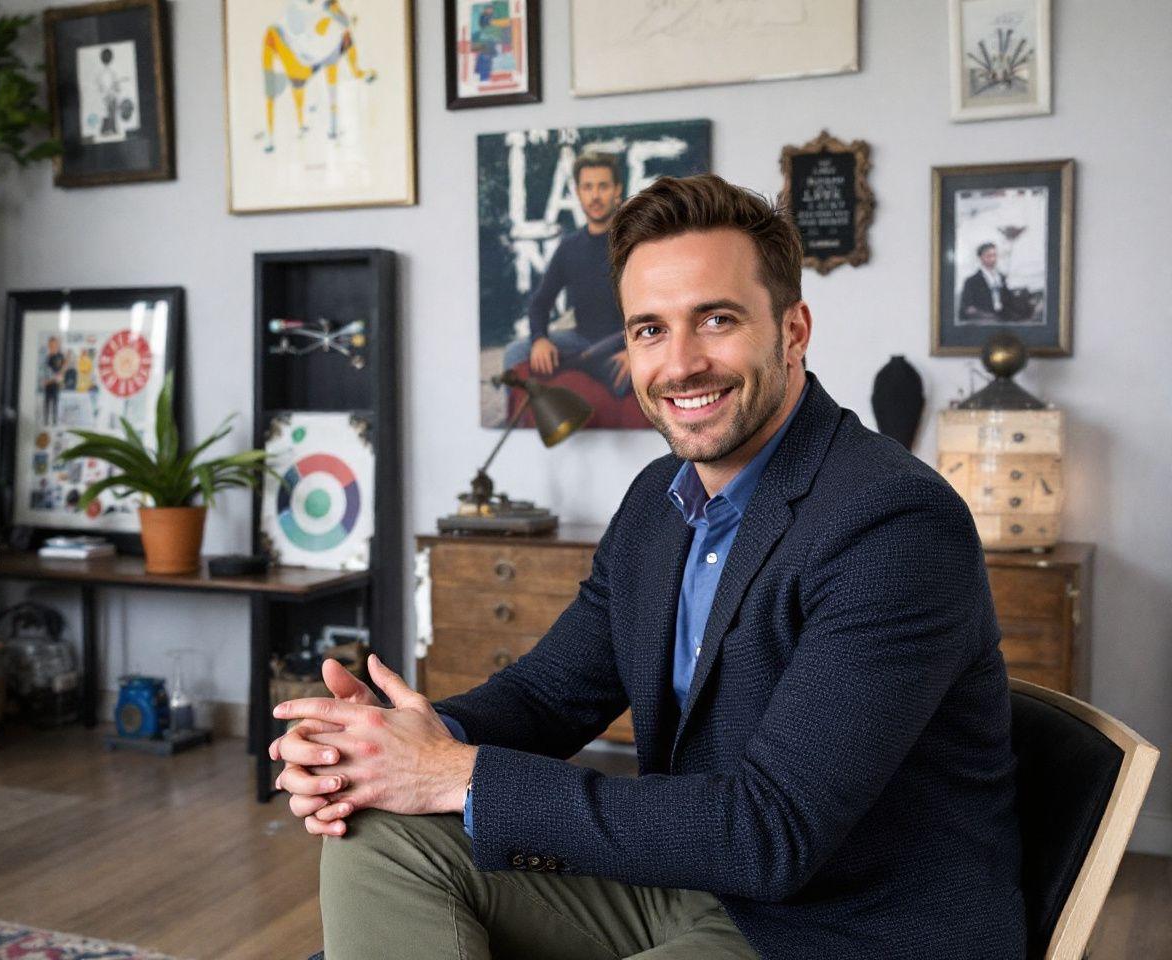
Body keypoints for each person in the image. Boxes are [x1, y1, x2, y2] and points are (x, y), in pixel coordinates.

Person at [272, 174, 1025, 959]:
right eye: (649, 330)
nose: (681, 363)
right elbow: (550, 694)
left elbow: (770, 833)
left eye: (717, 319)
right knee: (376, 832)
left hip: (844, 927)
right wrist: (392, 745)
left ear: (794, 330)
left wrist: (453, 774)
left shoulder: (894, 523)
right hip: (689, 885)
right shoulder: (658, 504)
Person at [503, 152, 632, 396]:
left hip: (624, 342)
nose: (595, 196)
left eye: (603, 186)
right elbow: (539, 304)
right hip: (581, 341)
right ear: (578, 192)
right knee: (515, 353)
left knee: (623, 386)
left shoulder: (635, 243)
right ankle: (524, 430)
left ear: (617, 190)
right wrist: (540, 338)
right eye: (588, 187)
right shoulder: (569, 247)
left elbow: (659, 310)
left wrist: (637, 350)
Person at [959, 241, 1008, 320]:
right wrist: (989, 317)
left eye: (994, 255)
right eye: (988, 256)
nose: (993, 259)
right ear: (980, 257)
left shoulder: (1002, 278)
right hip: (983, 321)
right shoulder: (971, 281)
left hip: (1003, 320)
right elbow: (968, 308)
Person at [42, 337, 66, 426]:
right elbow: (45, 370)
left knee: (55, 403)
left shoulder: (60, 356)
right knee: (46, 403)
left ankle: (55, 422)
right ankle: (46, 422)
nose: (52, 347)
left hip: (55, 384)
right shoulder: (47, 356)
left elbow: (61, 372)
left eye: (54, 345)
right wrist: (45, 380)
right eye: (50, 345)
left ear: (57, 345)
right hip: (47, 384)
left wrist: (52, 380)